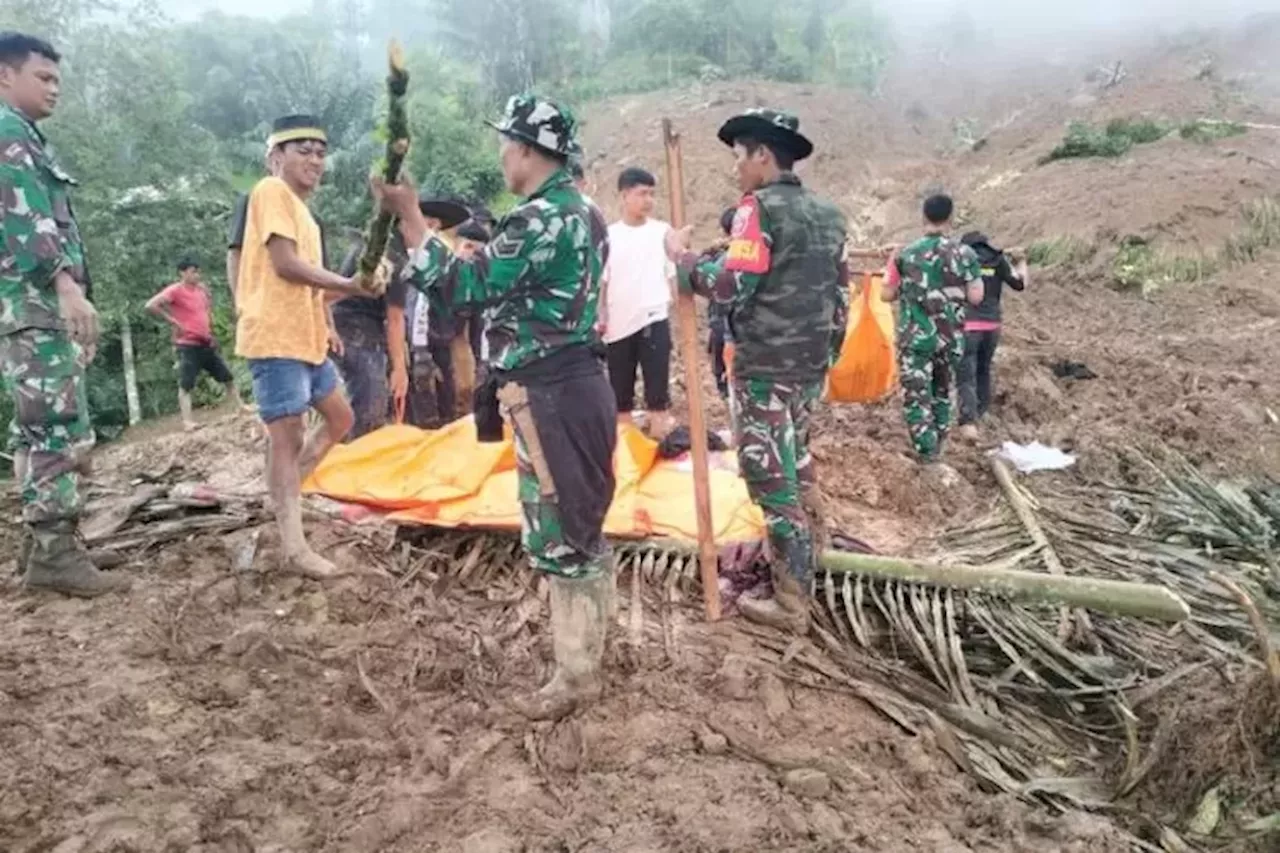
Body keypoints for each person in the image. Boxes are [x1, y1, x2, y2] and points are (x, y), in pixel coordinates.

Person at [374, 94, 614, 719]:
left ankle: (577, 677)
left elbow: (464, 289)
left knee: (563, 531)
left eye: (508, 144)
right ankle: (586, 658)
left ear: (530, 150)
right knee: (581, 523)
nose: (502, 155)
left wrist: (411, 220)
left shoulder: (538, 218)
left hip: (552, 393)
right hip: (576, 383)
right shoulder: (584, 213)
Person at [665, 109, 848, 633]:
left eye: (739, 157)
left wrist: (682, 260)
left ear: (762, 155)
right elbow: (841, 299)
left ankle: (791, 602)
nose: (736, 169)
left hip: (766, 366)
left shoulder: (756, 210)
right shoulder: (830, 215)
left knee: (769, 476)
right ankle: (816, 550)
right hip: (808, 367)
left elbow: (730, 286)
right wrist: (824, 359)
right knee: (798, 456)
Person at [0, 32, 126, 596]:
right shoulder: (7, 135)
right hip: (35, 303)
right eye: (43, 77)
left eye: (57, 78)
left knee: (35, 428)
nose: (55, 88)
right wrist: (68, 291)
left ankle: (41, 548)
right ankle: (53, 556)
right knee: (53, 427)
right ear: (6, 75)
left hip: (29, 308)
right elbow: (28, 227)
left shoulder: (23, 136)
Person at [235, 114, 372, 578]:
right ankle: (293, 544)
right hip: (275, 336)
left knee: (340, 418)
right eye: (303, 150)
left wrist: (350, 294)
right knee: (287, 436)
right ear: (276, 156)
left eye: (320, 151)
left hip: (306, 338)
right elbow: (286, 266)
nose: (315, 159)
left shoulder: (307, 216)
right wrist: (351, 285)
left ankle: (288, 495)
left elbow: (313, 288)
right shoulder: (270, 192)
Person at [882, 195, 984, 462]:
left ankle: (926, 454)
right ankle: (938, 447)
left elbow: (886, 294)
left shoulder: (905, 254)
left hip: (915, 339)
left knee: (917, 396)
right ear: (951, 218)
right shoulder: (966, 254)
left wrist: (891, 262)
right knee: (941, 392)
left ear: (923, 217)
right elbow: (976, 296)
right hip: (950, 338)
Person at [600, 167, 674, 437]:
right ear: (624, 195)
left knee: (658, 394)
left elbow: (672, 277)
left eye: (651, 194)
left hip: (654, 319)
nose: (648, 200)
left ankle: (662, 444)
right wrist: (601, 316)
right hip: (619, 325)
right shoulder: (608, 236)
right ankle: (627, 458)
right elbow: (603, 282)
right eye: (642, 193)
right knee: (621, 396)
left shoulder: (662, 232)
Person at [145, 258, 246, 431]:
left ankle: (240, 407)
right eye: (192, 271)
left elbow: (205, 312)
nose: (196, 275)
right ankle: (187, 421)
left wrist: (211, 331)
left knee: (227, 377)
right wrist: (172, 321)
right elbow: (150, 305)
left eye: (198, 271)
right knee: (186, 383)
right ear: (182, 273)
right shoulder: (175, 290)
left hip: (205, 341)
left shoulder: (201, 291)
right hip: (188, 344)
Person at [332, 239, 409, 440]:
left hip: (339, 324)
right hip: (358, 331)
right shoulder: (394, 256)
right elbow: (395, 319)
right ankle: (358, 456)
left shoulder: (369, 244)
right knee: (370, 404)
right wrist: (399, 369)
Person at [957, 231, 1027, 440]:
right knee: (983, 370)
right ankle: (981, 412)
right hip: (992, 326)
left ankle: (969, 422)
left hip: (968, 325)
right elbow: (1019, 284)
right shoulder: (999, 260)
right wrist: (1022, 261)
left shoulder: (962, 261)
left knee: (966, 375)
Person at [706, 206, 737, 400]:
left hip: (727, 332)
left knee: (728, 384)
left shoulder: (721, 259)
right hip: (738, 332)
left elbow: (705, 280)